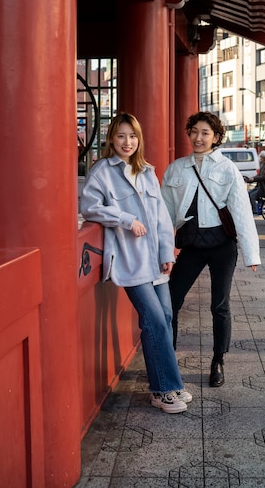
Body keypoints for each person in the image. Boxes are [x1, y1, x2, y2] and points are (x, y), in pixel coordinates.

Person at [80, 113, 191, 414]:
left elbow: (161, 218)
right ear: (111, 139)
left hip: (155, 259)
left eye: (132, 136)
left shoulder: (147, 172)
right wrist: (125, 220)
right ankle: (164, 389)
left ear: (139, 140)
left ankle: (168, 383)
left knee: (165, 317)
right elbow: (89, 207)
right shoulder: (102, 171)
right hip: (130, 261)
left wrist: (167, 253)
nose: (127, 142)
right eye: (121, 136)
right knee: (153, 320)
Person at [161, 111, 260, 388]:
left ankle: (218, 359)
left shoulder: (227, 168)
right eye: (194, 131)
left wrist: (251, 253)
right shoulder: (176, 168)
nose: (198, 137)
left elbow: (241, 212)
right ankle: (168, 358)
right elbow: (164, 214)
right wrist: (162, 250)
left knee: (219, 305)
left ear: (216, 137)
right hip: (191, 245)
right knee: (171, 299)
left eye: (205, 133)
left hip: (222, 247)